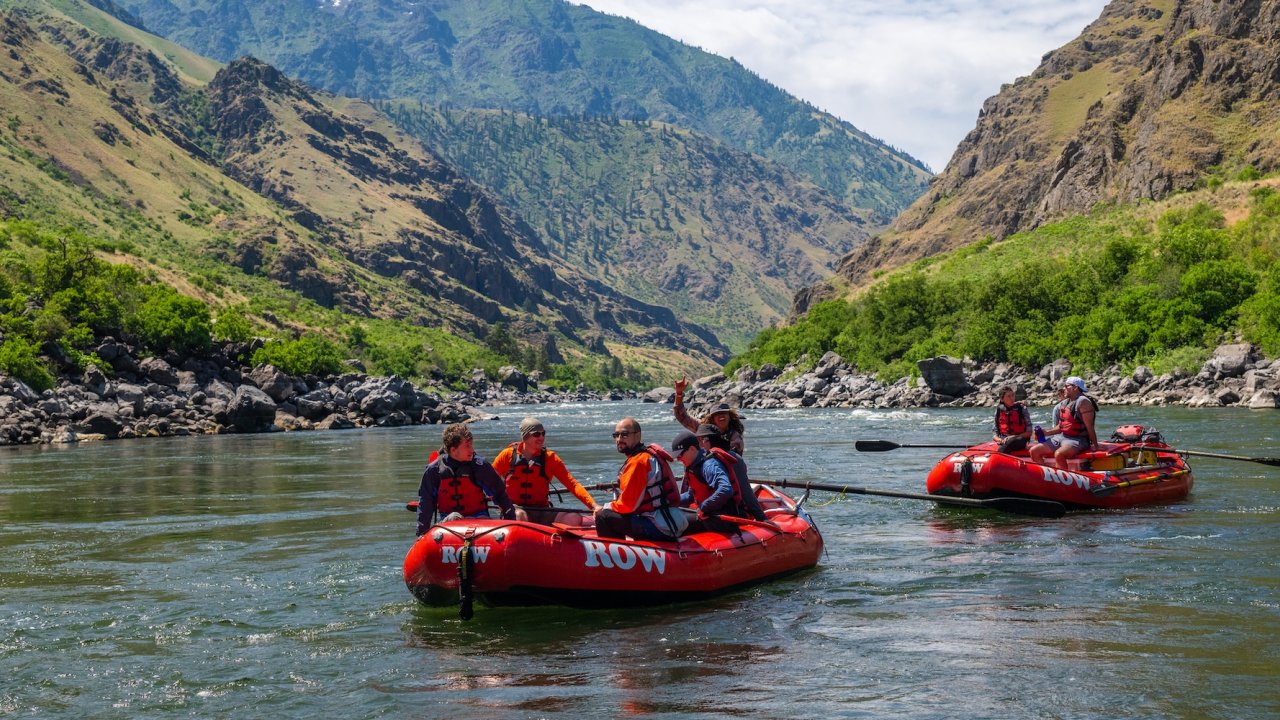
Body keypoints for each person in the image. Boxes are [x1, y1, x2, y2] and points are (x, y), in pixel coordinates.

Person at [491, 417, 600, 526]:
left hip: (542, 510)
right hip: (515, 509)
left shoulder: (550, 458)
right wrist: (502, 505)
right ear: (525, 436)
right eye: (537, 434)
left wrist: (594, 506)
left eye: (543, 433)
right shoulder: (506, 455)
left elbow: (572, 484)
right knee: (519, 516)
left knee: (573, 518)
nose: (541, 437)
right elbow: (488, 482)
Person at [593, 417, 689, 541]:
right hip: (668, 520)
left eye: (624, 435)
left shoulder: (639, 462)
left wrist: (605, 507)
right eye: (616, 435)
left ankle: (614, 556)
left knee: (602, 516)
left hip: (659, 527)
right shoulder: (647, 455)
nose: (619, 439)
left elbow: (628, 505)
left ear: (638, 436)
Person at [415, 423, 516, 536]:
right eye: (467, 446)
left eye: (471, 445)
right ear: (454, 450)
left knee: (473, 519)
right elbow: (426, 504)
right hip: (449, 526)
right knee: (454, 517)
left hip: (480, 522)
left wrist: (510, 523)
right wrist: (421, 534)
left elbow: (499, 494)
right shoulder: (434, 471)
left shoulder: (480, 466)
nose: (472, 450)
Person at [694, 424, 769, 522]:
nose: (698, 445)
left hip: (731, 512)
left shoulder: (733, 460)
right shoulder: (701, 460)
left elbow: (746, 493)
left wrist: (762, 518)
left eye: (700, 441)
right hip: (710, 509)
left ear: (708, 441)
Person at [671, 430, 739, 526]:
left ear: (692, 449)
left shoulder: (709, 466)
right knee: (670, 516)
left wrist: (703, 507)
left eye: (680, 455)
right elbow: (691, 495)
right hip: (708, 513)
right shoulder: (694, 466)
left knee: (674, 522)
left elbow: (726, 489)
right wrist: (671, 501)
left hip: (721, 517)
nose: (678, 459)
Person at [1029, 376, 1099, 469]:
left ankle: (1063, 480)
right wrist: (1047, 432)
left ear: (1075, 388)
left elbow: (1089, 426)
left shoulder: (1083, 402)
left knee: (1059, 454)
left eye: (1066, 386)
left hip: (1078, 439)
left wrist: (1095, 445)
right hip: (1062, 437)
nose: (1063, 389)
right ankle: (1046, 476)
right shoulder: (1064, 403)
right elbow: (1062, 426)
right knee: (1034, 451)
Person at [673, 376, 745, 454]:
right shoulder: (703, 429)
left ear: (729, 417)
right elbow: (682, 416)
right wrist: (679, 394)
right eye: (717, 414)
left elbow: (733, 459)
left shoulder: (735, 437)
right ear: (712, 419)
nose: (721, 416)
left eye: (724, 413)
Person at [992, 385, 1032, 454]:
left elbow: (1029, 432)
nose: (1012, 398)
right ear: (1002, 399)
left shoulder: (1021, 408)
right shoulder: (999, 410)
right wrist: (1001, 440)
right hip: (1004, 441)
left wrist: (1014, 437)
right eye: (1008, 396)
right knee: (1008, 443)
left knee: (1014, 440)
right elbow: (995, 434)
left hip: (1020, 440)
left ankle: (999, 455)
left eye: (1013, 395)